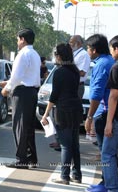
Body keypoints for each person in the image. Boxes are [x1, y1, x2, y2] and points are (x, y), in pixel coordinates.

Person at [41, 43, 83, 185]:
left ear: (58, 56)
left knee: (65, 145)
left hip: (63, 110)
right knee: (74, 144)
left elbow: (54, 96)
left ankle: (64, 176)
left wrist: (45, 114)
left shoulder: (59, 71)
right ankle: (77, 175)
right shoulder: (75, 71)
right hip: (76, 109)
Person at [0, 28, 40, 169]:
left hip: (22, 93)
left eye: (18, 39)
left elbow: (16, 77)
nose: (17, 42)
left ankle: (21, 159)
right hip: (31, 92)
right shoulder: (35, 54)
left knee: (19, 126)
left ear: (23, 39)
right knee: (28, 127)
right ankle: (31, 158)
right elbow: (26, 76)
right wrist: (9, 83)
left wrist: (7, 89)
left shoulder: (23, 54)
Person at [84, 34, 115, 192]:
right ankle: (105, 182)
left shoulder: (102, 64)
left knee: (106, 153)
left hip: (104, 112)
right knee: (107, 152)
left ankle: (108, 186)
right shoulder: (109, 61)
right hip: (109, 112)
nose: (87, 52)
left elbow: (97, 93)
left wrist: (89, 117)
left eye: (88, 49)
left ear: (94, 50)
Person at [101, 34, 118, 192]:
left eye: (111, 50)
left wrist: (109, 122)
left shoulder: (117, 67)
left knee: (107, 154)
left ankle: (113, 189)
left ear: (117, 49)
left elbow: (114, 96)